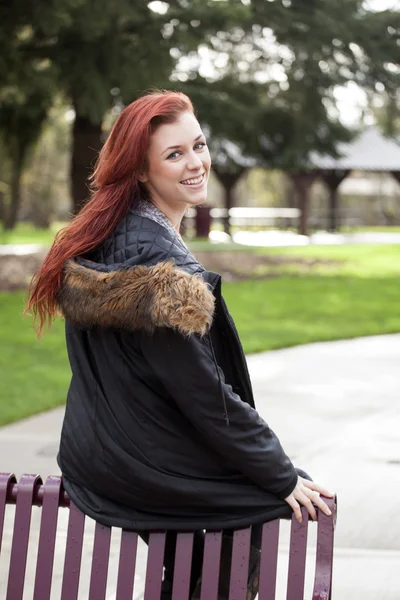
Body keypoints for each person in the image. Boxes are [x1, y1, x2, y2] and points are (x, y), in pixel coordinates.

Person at [26, 89, 333, 599]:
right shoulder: (162, 271)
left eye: (198, 145)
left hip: (96, 453)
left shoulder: (109, 236)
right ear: (142, 171)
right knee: (262, 503)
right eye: (174, 154)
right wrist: (280, 475)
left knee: (215, 544)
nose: (195, 163)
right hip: (139, 465)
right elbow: (206, 398)